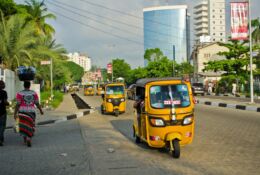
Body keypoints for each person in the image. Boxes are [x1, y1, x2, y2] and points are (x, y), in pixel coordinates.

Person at [13, 81, 44, 147]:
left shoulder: (19, 93)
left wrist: (15, 113)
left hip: (22, 111)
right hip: (31, 111)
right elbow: (37, 103)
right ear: (29, 86)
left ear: (23, 85)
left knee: (23, 125)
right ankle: (29, 138)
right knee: (30, 124)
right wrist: (41, 110)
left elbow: (18, 104)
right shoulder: (34, 93)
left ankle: (25, 138)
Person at [0, 81, 9, 146]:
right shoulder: (4, 92)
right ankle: (0, 139)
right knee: (2, 126)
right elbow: (5, 102)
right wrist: (8, 103)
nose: (4, 85)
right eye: (3, 84)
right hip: (2, 112)